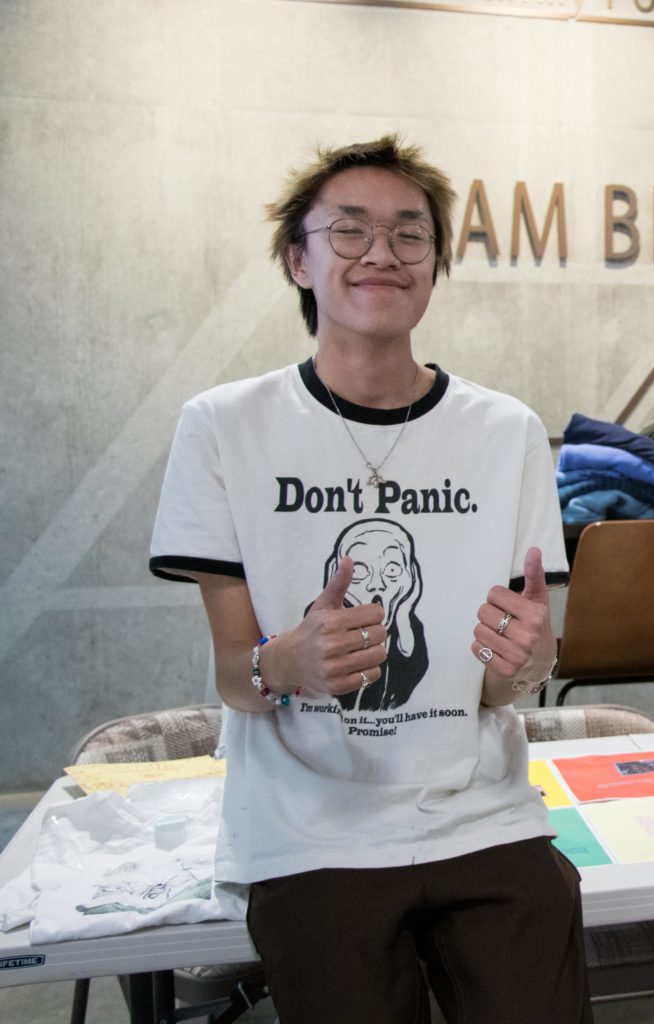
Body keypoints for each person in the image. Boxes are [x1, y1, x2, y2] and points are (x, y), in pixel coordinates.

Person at [148, 136, 591, 1023]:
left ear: (435, 264)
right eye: (348, 232)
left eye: (408, 234)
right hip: (310, 831)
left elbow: (500, 689)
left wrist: (529, 661)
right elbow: (237, 678)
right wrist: (288, 661)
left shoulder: (505, 432)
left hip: (482, 816)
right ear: (297, 260)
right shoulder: (224, 426)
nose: (381, 254)